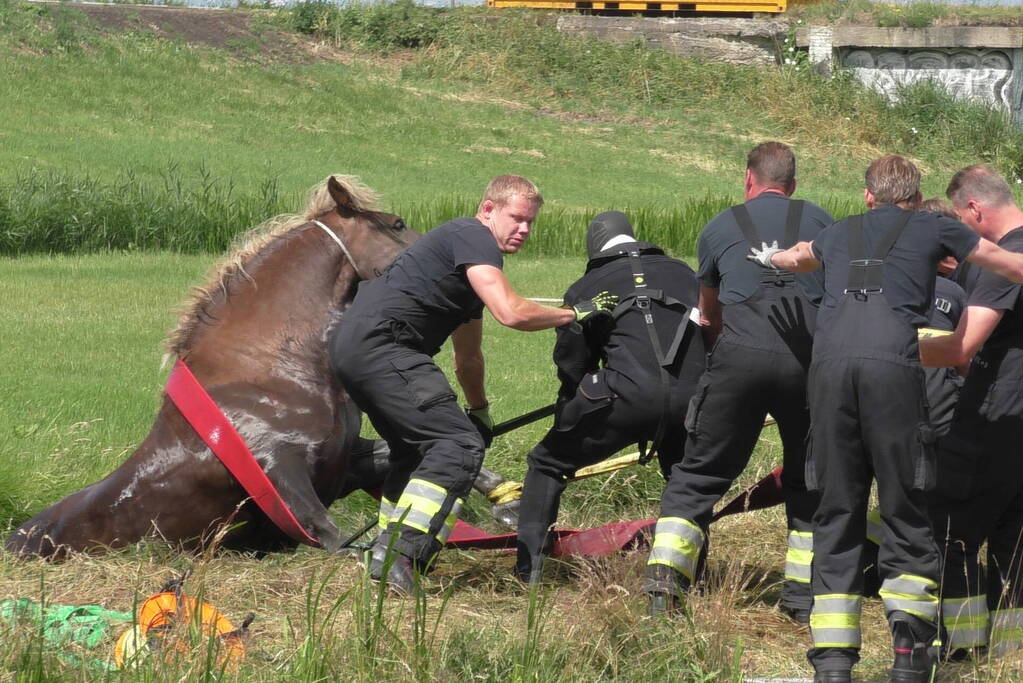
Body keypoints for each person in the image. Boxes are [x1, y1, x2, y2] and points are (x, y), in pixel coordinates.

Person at [750, 155, 1023, 683]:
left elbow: (801, 256)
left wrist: (776, 259)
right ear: (918, 198)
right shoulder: (936, 224)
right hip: (894, 371)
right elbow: (1001, 262)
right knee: (906, 507)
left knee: (837, 510)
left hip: (827, 373)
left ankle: (832, 664)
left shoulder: (838, 232)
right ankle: (909, 656)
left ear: (868, 196)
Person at [329, 175, 619, 593]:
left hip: (356, 349)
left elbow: (468, 356)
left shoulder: (461, 266)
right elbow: (512, 312)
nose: (524, 230)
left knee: (415, 453)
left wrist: (479, 410)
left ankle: (387, 553)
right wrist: (575, 313)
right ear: (487, 210)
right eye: (516, 218)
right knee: (457, 447)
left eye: (531, 223)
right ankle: (401, 555)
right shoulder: (471, 235)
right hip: (386, 346)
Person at [642, 142, 833, 622]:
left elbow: (708, 315)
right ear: (792, 186)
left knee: (699, 472)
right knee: (809, 479)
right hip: (806, 367)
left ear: (749, 179)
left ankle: (664, 587)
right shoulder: (822, 221)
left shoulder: (719, 226)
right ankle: (801, 600)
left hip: (738, 360)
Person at [514, 211, 705, 583]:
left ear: (595, 247)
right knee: (686, 480)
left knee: (547, 464)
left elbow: (572, 363)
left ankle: (529, 570)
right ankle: (681, 579)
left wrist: (573, 406)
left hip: (622, 397)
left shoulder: (587, 286)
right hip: (692, 398)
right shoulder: (684, 273)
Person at [920, 164, 1023, 658]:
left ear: (974, 209)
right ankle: (1007, 654)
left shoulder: (1006, 259)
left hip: (995, 414)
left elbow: (963, 346)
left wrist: (897, 342)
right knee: (1013, 536)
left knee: (951, 528)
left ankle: (961, 651)